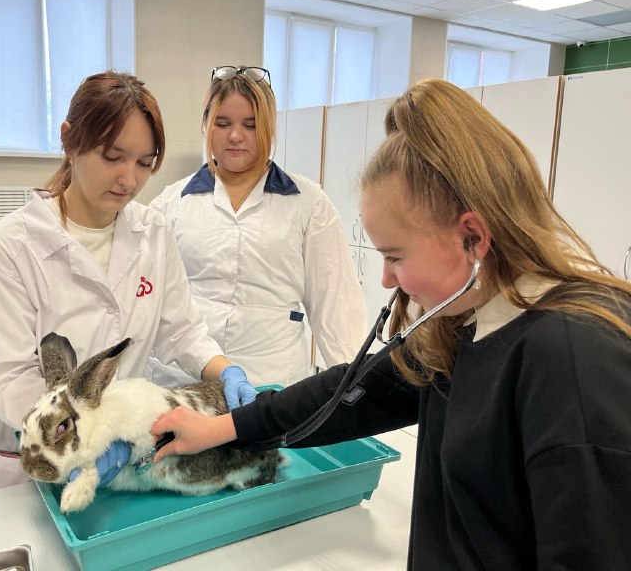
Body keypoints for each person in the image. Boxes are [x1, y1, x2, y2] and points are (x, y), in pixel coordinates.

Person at [151, 78, 631, 568]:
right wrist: (224, 428)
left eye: (395, 256)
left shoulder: (572, 357)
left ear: (472, 237)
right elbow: (349, 391)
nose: (384, 280)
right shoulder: (464, 325)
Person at [0, 71, 256, 495]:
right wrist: (85, 437)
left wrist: (226, 371)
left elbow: (181, 331)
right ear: (69, 140)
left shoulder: (153, 232)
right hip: (40, 455)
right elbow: (7, 376)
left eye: (144, 163)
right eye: (112, 157)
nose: (129, 180)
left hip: (124, 454)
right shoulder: (12, 246)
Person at [147, 65, 368, 388]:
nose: (236, 136)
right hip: (183, 381)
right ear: (206, 125)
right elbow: (147, 300)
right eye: (222, 123)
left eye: (250, 125)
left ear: (270, 128)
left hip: (272, 383)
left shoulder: (308, 203)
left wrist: (352, 392)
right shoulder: (171, 203)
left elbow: (336, 306)